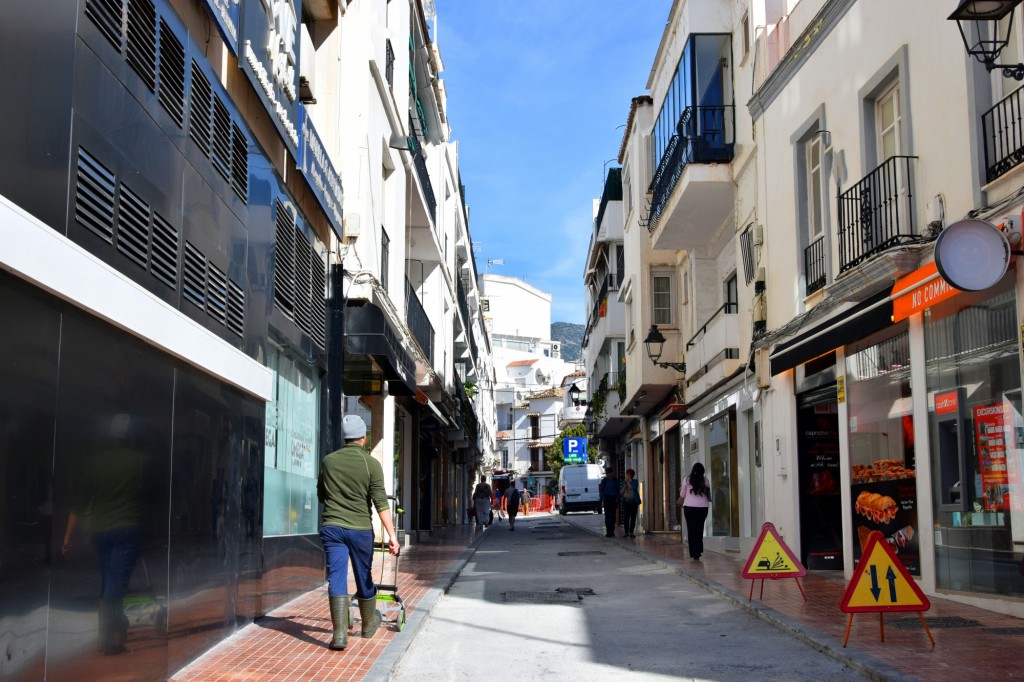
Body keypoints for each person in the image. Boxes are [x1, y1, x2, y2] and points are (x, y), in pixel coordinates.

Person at [62, 413, 149, 655]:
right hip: (127, 529)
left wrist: (67, 538)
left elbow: (78, 504)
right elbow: (152, 498)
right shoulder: (140, 461)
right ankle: (112, 636)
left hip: (101, 532)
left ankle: (109, 634)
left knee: (107, 581)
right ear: (131, 437)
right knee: (115, 585)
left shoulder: (95, 463)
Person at [318, 415, 400, 651]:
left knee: (336, 577)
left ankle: (340, 634)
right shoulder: (370, 463)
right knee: (363, 574)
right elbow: (380, 502)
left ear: (344, 437)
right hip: (359, 529)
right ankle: (367, 624)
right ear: (363, 437)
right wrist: (392, 536)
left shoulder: (328, 461)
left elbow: (321, 494)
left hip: (332, 528)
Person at [680, 462, 711, 560]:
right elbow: (708, 495)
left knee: (691, 529)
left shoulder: (687, 480)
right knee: (699, 528)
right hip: (703, 508)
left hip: (689, 508)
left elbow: (682, 495)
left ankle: (694, 553)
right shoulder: (705, 481)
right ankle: (699, 550)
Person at [620, 468, 641, 538]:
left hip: (634, 502)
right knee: (626, 517)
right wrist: (625, 486)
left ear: (632, 475)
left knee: (633, 517)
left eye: (628, 474)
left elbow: (634, 487)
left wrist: (630, 481)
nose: (627, 475)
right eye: (627, 474)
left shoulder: (635, 481)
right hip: (626, 501)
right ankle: (626, 532)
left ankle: (631, 532)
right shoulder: (624, 482)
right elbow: (621, 492)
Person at [600, 466, 619, 538]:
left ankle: (612, 531)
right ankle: (608, 531)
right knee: (607, 516)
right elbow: (601, 491)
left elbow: (618, 490)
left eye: (609, 473)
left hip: (613, 499)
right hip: (607, 500)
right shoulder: (604, 481)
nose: (608, 474)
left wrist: (617, 498)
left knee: (613, 516)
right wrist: (603, 499)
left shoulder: (615, 480)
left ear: (612, 473)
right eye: (607, 473)